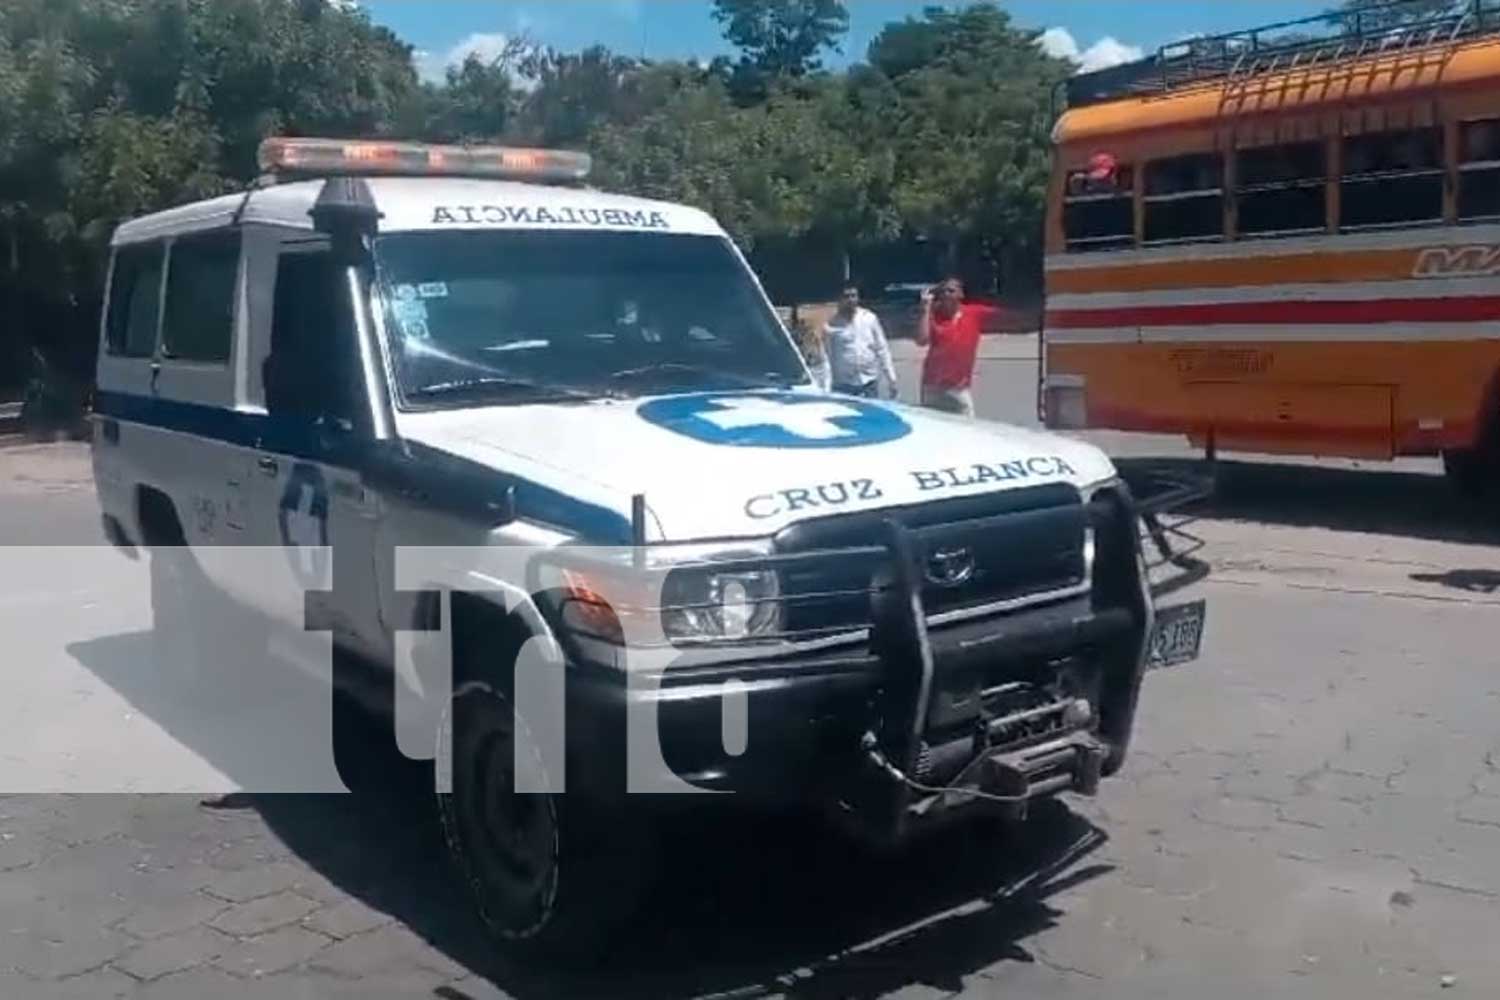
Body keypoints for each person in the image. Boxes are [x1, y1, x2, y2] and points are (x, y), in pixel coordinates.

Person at [916, 276, 999, 417]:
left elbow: (1004, 315)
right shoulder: (933, 315)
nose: (946, 294)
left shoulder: (973, 313)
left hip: (959, 388)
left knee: (968, 428)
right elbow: (922, 340)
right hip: (933, 387)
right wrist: (925, 308)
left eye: (951, 291)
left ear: (961, 294)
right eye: (943, 291)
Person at [822, 283, 897, 399]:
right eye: (846, 296)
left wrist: (891, 379)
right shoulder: (830, 325)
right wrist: (826, 389)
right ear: (839, 299)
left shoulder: (869, 318)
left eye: (853, 296)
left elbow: (882, 349)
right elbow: (826, 358)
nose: (850, 300)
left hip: (869, 382)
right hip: (843, 386)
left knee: (871, 416)